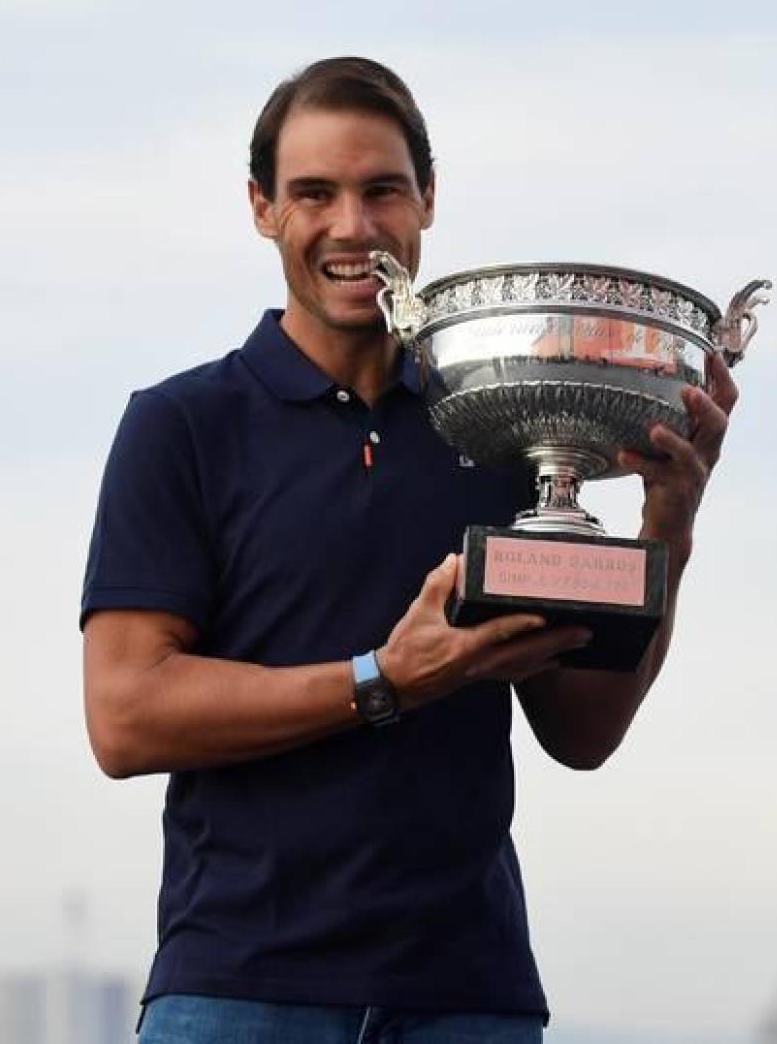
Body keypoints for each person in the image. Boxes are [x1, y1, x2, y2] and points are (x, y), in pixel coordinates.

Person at [79, 56, 738, 1043]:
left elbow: (583, 732)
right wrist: (385, 679)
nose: (353, 226)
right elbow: (126, 717)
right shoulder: (183, 426)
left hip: (467, 994)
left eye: (382, 189)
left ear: (427, 199)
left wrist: (667, 526)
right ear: (262, 208)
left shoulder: (501, 427)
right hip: (243, 991)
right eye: (314, 194)